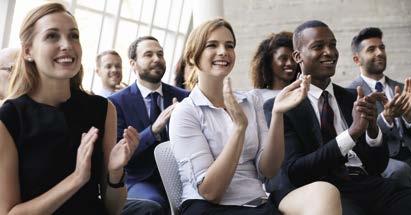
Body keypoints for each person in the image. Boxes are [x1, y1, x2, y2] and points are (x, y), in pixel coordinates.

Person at [170, 18, 341, 215]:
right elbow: (210, 192)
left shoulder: (250, 101)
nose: (223, 51)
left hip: (256, 200)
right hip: (209, 207)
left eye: (229, 45)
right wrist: (239, 129)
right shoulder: (185, 113)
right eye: (212, 45)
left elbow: (269, 169)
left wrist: (278, 113)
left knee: (325, 192)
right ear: (192, 56)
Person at [0, 3, 139, 214]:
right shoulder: (9, 118)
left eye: (73, 36)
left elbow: (113, 208)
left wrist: (115, 173)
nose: (67, 44)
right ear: (28, 51)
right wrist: (76, 180)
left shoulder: (102, 109)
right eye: (52, 36)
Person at [276, 19, 411, 215]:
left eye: (332, 45)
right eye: (318, 46)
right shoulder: (284, 106)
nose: (330, 52)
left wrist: (372, 131)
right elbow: (296, 171)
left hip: (368, 185)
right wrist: (351, 134)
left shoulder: (351, 96)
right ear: (298, 56)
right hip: (324, 192)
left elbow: (378, 166)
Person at [109, 36, 189, 214]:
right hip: (141, 180)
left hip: (183, 177)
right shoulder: (115, 103)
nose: (156, 59)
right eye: (148, 54)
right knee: (152, 206)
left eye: (160, 54)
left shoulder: (185, 97)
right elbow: (118, 153)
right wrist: (153, 130)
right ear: (133, 63)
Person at [348, 27, 411, 186]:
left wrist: (409, 116)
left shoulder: (403, 88)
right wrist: (386, 117)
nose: (379, 52)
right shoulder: (352, 93)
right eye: (371, 49)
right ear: (357, 59)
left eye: (382, 47)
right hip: (381, 157)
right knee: (401, 170)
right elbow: (358, 139)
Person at [250, 32, 299, 103]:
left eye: (293, 58)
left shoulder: (303, 94)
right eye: (283, 58)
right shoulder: (256, 97)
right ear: (269, 62)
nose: (290, 63)